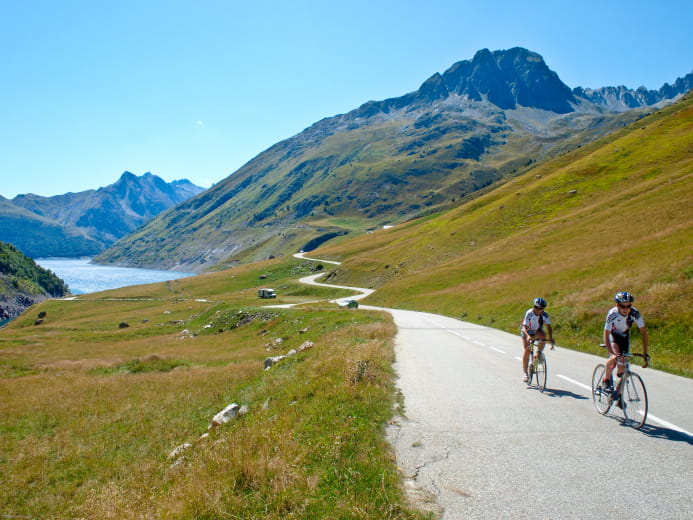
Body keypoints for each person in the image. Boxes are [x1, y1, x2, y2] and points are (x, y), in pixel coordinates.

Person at [600, 291, 650, 392]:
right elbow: (606, 333)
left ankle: (618, 394)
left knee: (622, 367)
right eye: (622, 306)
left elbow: (644, 333)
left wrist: (645, 353)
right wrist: (611, 353)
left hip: (624, 337)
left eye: (628, 306)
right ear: (617, 305)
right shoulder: (612, 314)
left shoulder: (635, 314)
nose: (626, 309)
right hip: (613, 336)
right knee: (615, 357)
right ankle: (606, 380)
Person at [520, 297, 554, 382]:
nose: (539, 310)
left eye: (541, 308)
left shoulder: (545, 314)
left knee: (543, 336)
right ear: (534, 306)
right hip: (526, 331)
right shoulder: (529, 313)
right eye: (537, 307)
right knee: (527, 350)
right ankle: (525, 373)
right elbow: (524, 327)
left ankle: (538, 354)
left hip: (536, 330)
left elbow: (548, 326)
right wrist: (528, 336)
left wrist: (550, 338)